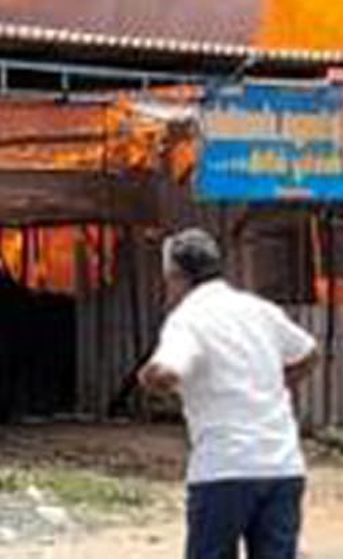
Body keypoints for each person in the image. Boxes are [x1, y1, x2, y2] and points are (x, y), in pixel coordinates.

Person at [138, 227, 318, 559]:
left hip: (223, 470)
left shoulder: (187, 320)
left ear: (178, 277)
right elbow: (308, 352)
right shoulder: (257, 309)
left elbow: (169, 370)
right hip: (282, 467)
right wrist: (273, 385)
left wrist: (150, 377)